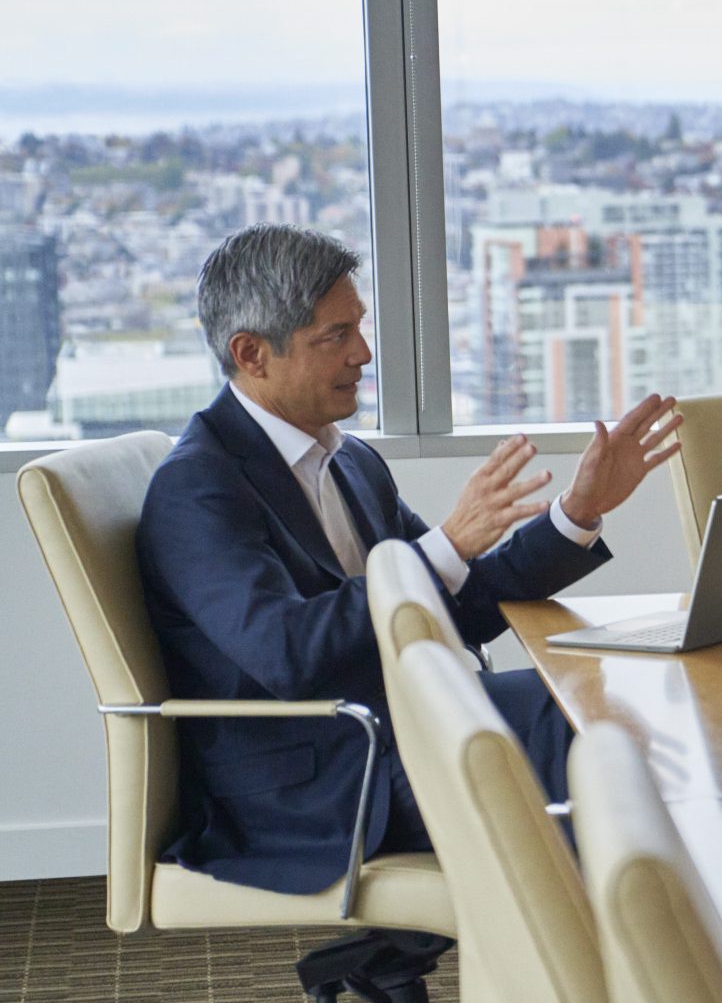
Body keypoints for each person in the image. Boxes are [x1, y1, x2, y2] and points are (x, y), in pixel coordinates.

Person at [138, 224, 681, 895]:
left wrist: (577, 510)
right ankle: (600, 967)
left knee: (594, 688)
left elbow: (466, 605)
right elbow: (287, 652)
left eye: (359, 328)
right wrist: (445, 545)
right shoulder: (198, 486)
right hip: (316, 781)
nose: (363, 354)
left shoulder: (351, 461)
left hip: (396, 729)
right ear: (252, 353)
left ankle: (634, 951)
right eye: (335, 336)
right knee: (561, 712)